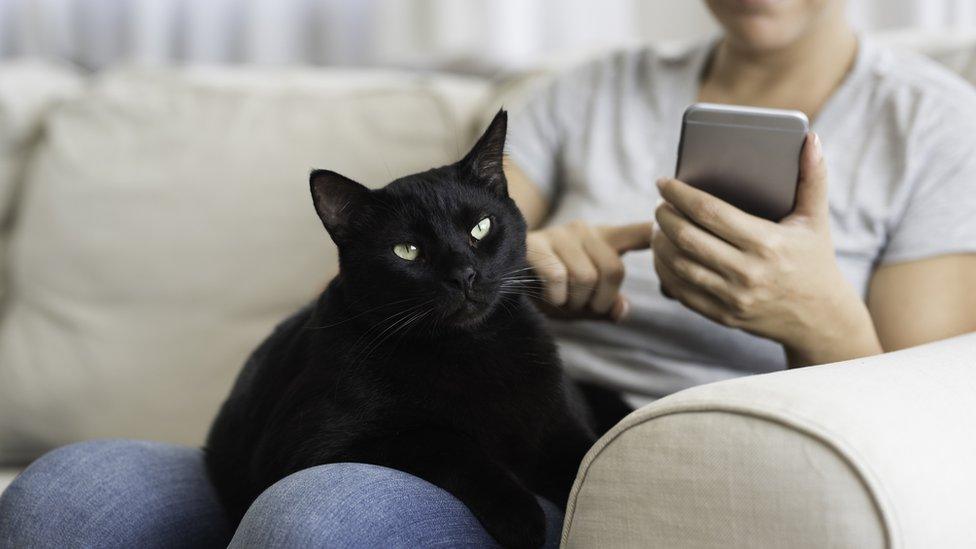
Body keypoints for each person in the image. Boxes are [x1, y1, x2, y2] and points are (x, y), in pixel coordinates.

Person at [2, 0, 975, 546]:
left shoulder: (932, 122)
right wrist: (537, 264)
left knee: (319, 521)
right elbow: (402, 277)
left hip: (595, 463)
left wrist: (813, 316)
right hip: (437, 403)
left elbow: (933, 426)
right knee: (68, 494)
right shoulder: (584, 92)